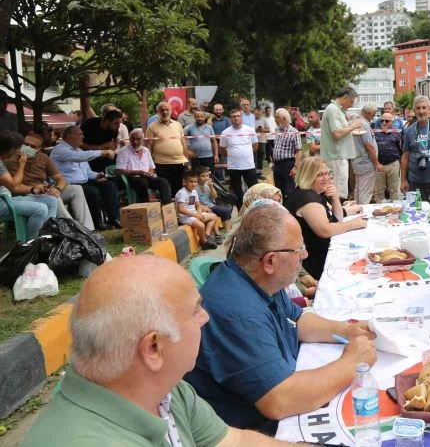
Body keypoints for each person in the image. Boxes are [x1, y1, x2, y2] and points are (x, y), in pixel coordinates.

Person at [21, 255, 301, 446]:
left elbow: (235, 441)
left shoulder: (164, 391)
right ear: (153, 348)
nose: (205, 318)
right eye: (195, 310)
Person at [185, 203, 376, 435]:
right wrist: (352, 364)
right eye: (298, 250)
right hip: (253, 430)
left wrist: (347, 331)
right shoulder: (238, 311)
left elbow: (297, 320)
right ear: (270, 262)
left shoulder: (258, 280)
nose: (304, 256)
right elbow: (280, 399)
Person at [284, 158, 367, 280]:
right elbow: (325, 230)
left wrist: (335, 198)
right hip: (314, 263)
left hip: (322, 254)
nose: (326, 178)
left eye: (328, 173)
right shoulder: (307, 198)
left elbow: (337, 221)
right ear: (308, 176)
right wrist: (353, 224)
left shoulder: (316, 193)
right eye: (320, 175)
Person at [3, 132, 94, 229]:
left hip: (44, 189)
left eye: (32, 146)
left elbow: (60, 178)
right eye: (26, 144)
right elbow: (13, 187)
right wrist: (34, 188)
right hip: (26, 193)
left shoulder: (43, 158)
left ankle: (88, 228)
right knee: (53, 197)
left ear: (39, 149)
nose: (28, 148)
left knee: (76, 189)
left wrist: (57, 188)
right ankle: (72, 229)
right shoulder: (9, 159)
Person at [51, 126, 120, 230]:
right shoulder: (59, 150)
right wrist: (102, 152)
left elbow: (87, 171)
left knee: (109, 185)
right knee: (92, 191)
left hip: (84, 183)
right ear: (69, 137)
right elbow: (78, 158)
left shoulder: (79, 150)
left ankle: (113, 219)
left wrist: (96, 175)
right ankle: (98, 223)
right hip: (68, 186)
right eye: (79, 134)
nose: (83, 137)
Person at [0, 130, 59, 238]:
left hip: (6, 198)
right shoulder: (3, 163)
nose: (21, 149)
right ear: (11, 149)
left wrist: (33, 189)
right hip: (3, 202)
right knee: (40, 209)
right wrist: (22, 165)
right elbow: (14, 186)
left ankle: (47, 237)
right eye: (23, 145)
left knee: (51, 200)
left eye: (32, 146)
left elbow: (13, 186)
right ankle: (31, 244)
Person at [400, 96, 430, 217]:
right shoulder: (409, 130)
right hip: (416, 180)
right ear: (414, 111)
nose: (421, 111)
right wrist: (403, 180)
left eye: (424, 108)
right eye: (418, 108)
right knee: (418, 213)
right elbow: (405, 156)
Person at [320, 85, 361, 198]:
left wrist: (348, 126)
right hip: (336, 156)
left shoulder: (336, 109)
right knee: (338, 190)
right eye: (351, 101)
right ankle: (339, 213)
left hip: (336, 155)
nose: (352, 105)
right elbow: (337, 134)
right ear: (345, 97)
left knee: (336, 188)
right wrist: (353, 126)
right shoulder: (333, 110)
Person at [114, 128, 173, 205]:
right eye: (133, 139)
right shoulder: (124, 151)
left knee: (163, 181)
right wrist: (138, 172)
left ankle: (166, 207)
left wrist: (149, 173)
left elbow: (152, 168)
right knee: (142, 182)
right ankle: (146, 207)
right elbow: (118, 171)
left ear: (142, 140)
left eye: (138, 139)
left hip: (146, 177)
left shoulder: (146, 150)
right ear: (129, 139)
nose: (135, 142)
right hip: (132, 178)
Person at [146, 102, 192, 196]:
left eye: (167, 110)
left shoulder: (178, 125)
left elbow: (183, 142)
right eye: (162, 110)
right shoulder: (152, 126)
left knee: (178, 189)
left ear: (171, 111)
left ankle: (178, 209)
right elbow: (149, 146)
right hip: (161, 163)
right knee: (164, 189)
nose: (165, 112)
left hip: (178, 162)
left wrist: (187, 160)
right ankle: (166, 209)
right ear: (158, 112)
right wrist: (150, 165)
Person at [219, 108, 258, 208]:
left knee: (254, 189)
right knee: (237, 191)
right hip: (233, 166)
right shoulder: (225, 132)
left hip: (249, 165)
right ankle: (241, 211)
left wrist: (245, 154)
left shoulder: (250, 130)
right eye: (233, 116)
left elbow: (255, 146)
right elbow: (222, 149)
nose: (236, 118)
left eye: (238, 116)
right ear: (230, 119)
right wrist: (233, 155)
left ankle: (255, 208)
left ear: (241, 117)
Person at [175, 171, 220, 249]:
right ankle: (203, 242)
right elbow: (181, 209)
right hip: (186, 217)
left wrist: (199, 214)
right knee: (201, 225)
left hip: (195, 214)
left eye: (195, 182)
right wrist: (196, 215)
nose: (193, 184)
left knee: (214, 216)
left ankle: (207, 235)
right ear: (184, 182)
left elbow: (198, 205)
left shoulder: (194, 191)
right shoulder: (182, 193)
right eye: (191, 182)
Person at [351, 103, 381, 204]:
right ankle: (363, 214)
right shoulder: (364, 124)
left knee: (359, 190)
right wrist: (376, 163)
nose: (373, 117)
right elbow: (369, 146)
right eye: (373, 114)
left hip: (357, 162)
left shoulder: (355, 122)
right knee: (365, 193)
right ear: (368, 113)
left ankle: (357, 211)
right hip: (366, 163)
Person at [271, 108, 303, 199]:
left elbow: (299, 150)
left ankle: (290, 209)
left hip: (288, 164)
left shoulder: (294, 132)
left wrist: (295, 167)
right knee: (278, 189)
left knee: (289, 190)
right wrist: (273, 162)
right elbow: (276, 147)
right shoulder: (277, 130)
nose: (275, 120)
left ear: (284, 119)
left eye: (277, 118)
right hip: (277, 164)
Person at [80, 108, 122, 173]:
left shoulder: (114, 130)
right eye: (116, 123)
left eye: (119, 123)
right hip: (85, 157)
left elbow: (112, 148)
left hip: (102, 157)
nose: (119, 126)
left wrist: (112, 148)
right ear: (107, 121)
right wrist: (102, 147)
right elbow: (79, 145)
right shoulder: (89, 124)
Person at [373, 111, 403, 202]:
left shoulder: (397, 133)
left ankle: (395, 209)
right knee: (379, 191)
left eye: (387, 121)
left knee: (393, 190)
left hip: (393, 164)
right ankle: (379, 210)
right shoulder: (375, 133)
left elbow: (401, 149)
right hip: (379, 165)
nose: (384, 123)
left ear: (391, 122)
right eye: (382, 121)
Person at [196, 166, 232, 231]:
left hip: (211, 205)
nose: (205, 178)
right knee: (212, 214)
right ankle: (217, 235)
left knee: (226, 211)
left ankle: (228, 232)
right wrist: (202, 207)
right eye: (203, 176)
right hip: (201, 208)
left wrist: (212, 187)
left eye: (207, 176)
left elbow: (214, 197)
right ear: (197, 177)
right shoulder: (195, 186)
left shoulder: (208, 183)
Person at [211, 103, 232, 181]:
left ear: (223, 110)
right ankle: (220, 180)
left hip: (225, 145)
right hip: (214, 145)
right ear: (213, 111)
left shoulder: (227, 120)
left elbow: (229, 132)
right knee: (217, 163)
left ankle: (229, 179)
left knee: (226, 162)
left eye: (220, 109)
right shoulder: (211, 120)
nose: (218, 111)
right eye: (216, 110)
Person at [254, 106, 269, 174]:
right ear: (254, 113)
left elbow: (268, 130)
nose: (258, 115)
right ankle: (254, 172)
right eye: (256, 114)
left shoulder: (264, 120)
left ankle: (259, 172)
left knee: (261, 156)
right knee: (254, 156)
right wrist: (255, 130)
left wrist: (263, 130)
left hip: (262, 141)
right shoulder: (251, 120)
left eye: (259, 114)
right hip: (253, 141)